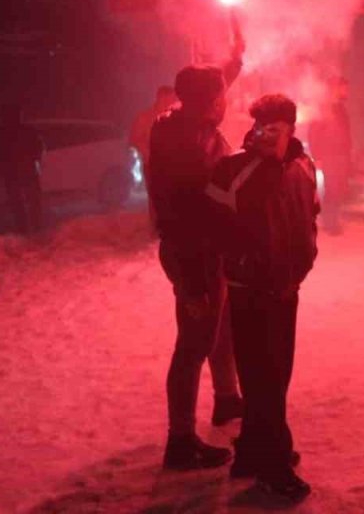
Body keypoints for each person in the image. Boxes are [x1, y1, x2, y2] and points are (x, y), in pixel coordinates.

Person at [206, 95, 319, 503]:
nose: (269, 132)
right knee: (263, 377)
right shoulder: (234, 167)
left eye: (278, 124)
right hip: (251, 289)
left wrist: (305, 256)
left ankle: (254, 451)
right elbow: (216, 225)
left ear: (291, 124)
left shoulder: (303, 164)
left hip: (287, 286)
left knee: (275, 375)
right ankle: (273, 469)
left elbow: (310, 213)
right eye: (262, 125)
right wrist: (244, 260)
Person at [149, 46, 245, 471]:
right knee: (193, 344)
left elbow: (211, 87)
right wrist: (190, 283)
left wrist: (234, 60)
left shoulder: (189, 121)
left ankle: (227, 399)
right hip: (195, 255)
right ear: (208, 101)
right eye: (221, 94)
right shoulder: (185, 143)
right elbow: (182, 215)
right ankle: (181, 440)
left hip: (209, 251)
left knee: (220, 329)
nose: (227, 100)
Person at [0, 103, 45, 235]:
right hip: (25, 171)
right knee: (31, 201)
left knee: (20, 203)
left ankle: (25, 229)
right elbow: (39, 149)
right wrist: (36, 162)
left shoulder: (0, 133)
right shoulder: (27, 131)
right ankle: (35, 228)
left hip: (14, 172)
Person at [308, 76, 353, 235]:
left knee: (337, 188)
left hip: (339, 155)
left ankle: (333, 221)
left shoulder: (339, 108)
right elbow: (313, 132)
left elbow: (344, 132)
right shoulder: (325, 108)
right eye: (344, 87)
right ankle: (330, 223)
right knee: (331, 189)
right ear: (336, 88)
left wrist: (347, 153)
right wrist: (318, 155)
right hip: (330, 155)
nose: (346, 91)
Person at [130, 86, 179, 174]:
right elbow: (135, 141)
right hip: (150, 168)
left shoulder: (173, 118)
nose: (172, 102)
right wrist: (150, 157)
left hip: (170, 168)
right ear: (160, 98)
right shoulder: (144, 118)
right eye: (169, 99)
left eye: (173, 99)